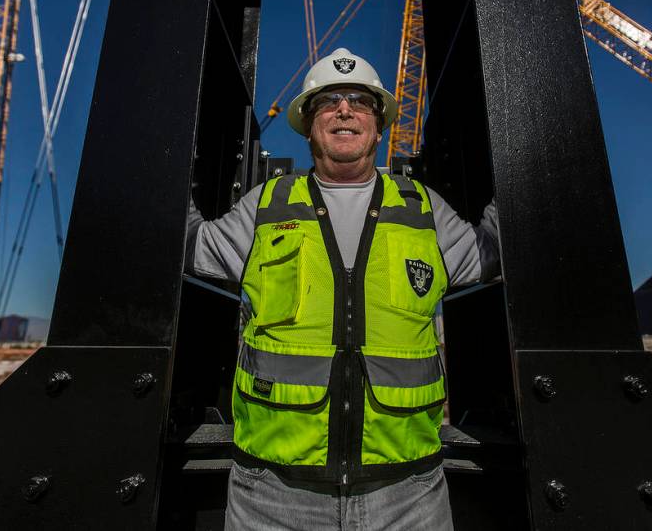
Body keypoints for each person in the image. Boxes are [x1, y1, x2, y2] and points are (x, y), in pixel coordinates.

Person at [187, 48, 499, 530]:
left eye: (360, 101)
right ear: (309, 124)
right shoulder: (267, 206)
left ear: (379, 126)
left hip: (408, 494)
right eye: (328, 101)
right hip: (272, 493)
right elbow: (189, 247)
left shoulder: (422, 210)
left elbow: (492, 253)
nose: (345, 109)